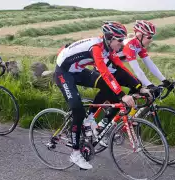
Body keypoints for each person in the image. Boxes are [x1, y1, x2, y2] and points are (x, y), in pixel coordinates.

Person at [54, 21, 151, 170]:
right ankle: (75, 153)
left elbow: (121, 67)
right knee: (77, 109)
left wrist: (139, 87)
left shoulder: (108, 48)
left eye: (123, 39)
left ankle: (90, 120)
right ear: (109, 38)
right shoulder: (96, 48)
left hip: (78, 71)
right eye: (119, 40)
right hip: (64, 73)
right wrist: (122, 95)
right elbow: (104, 72)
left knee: (109, 91)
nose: (122, 43)